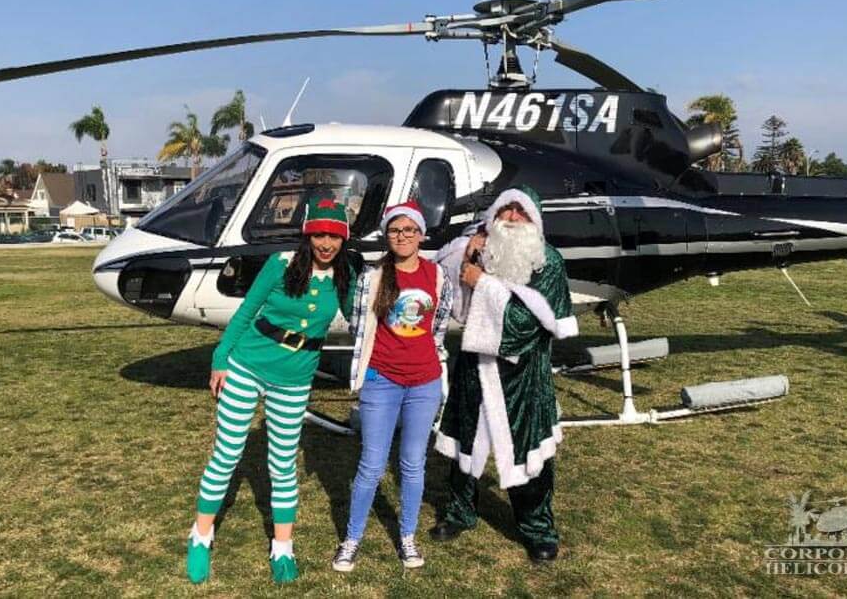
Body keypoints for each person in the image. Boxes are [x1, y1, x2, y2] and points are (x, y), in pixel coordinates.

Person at [186, 198, 357, 585]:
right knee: (227, 453)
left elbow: (362, 319)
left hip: (295, 380)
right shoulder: (281, 263)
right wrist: (220, 357)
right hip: (248, 365)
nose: (326, 243)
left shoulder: (345, 276)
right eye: (319, 234)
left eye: (334, 235)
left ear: (343, 239)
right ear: (308, 234)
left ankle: (282, 547)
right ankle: (200, 535)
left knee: (282, 464)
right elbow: (247, 311)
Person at [430, 185, 578, 563]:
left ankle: (537, 528)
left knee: (530, 455)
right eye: (505, 211)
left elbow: (527, 323)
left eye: (520, 212)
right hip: (475, 367)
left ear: (535, 220)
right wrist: (465, 256)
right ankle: (460, 513)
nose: (512, 218)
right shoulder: (482, 249)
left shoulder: (549, 262)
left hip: (523, 376)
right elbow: (449, 291)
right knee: (463, 445)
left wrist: (483, 283)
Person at [332, 201, 453, 572]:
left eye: (409, 230)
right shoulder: (373, 277)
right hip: (381, 381)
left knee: (413, 463)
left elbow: (440, 326)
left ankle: (407, 536)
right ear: (387, 235)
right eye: (395, 231)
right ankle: (351, 539)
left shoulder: (438, 276)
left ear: (421, 234)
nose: (402, 236)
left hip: (425, 383)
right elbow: (358, 325)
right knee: (371, 464)